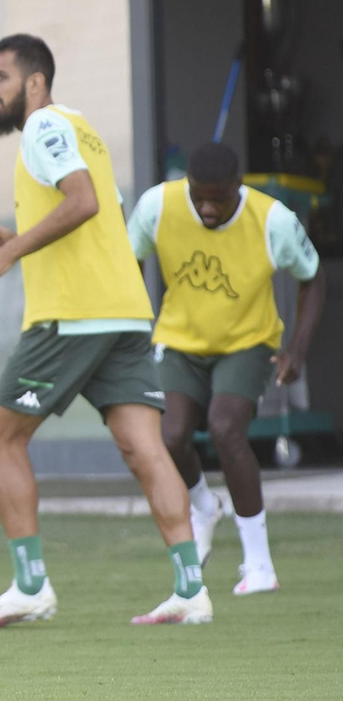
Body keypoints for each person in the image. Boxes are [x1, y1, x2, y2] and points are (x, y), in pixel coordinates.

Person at [0, 34, 211, 626]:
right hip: (123, 311)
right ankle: (191, 591)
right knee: (145, 449)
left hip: (73, 315)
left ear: (35, 82)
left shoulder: (43, 126)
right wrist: (19, 232)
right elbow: (103, 213)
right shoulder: (80, 128)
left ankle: (30, 587)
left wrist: (9, 252)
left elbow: (85, 201)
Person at [127, 142, 324, 595]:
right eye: (198, 197)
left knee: (225, 428)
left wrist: (296, 351)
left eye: (218, 199)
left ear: (239, 186)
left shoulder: (273, 219)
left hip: (247, 342)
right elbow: (128, 262)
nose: (207, 208)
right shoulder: (157, 205)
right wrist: (132, 328)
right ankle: (203, 505)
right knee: (169, 436)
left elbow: (313, 279)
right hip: (179, 340)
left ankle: (259, 565)